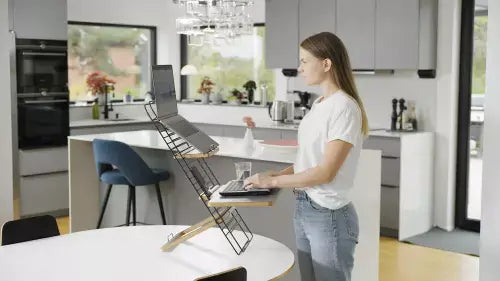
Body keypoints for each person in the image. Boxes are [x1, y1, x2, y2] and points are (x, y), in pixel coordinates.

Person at [244, 32, 369, 281]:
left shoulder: (344, 107)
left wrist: (271, 182)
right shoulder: (321, 103)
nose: (300, 68)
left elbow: (325, 172)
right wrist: (279, 174)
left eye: (304, 61)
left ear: (326, 63)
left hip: (328, 213)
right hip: (305, 207)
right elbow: (310, 162)